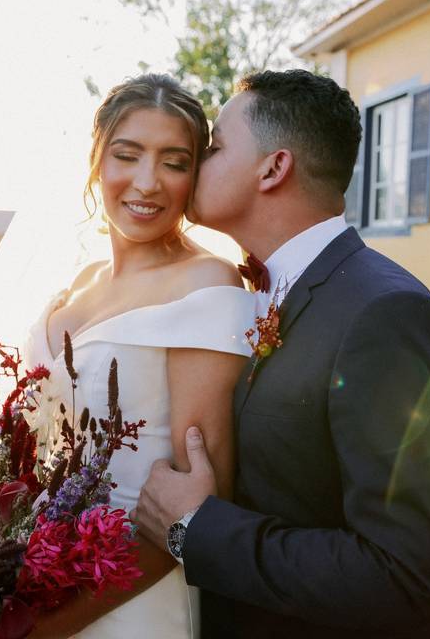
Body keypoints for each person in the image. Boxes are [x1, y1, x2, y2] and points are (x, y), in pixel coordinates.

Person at [133, 69, 430, 638]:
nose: (196, 160)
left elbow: (402, 580)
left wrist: (195, 530)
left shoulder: (388, 316)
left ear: (274, 167)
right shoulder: (243, 295)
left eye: (214, 147)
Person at [17, 74, 254, 638]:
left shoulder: (207, 283)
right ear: (97, 160)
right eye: (128, 155)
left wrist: (48, 629)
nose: (147, 183)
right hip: (30, 576)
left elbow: (201, 504)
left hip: (132, 599)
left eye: (175, 162)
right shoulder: (75, 283)